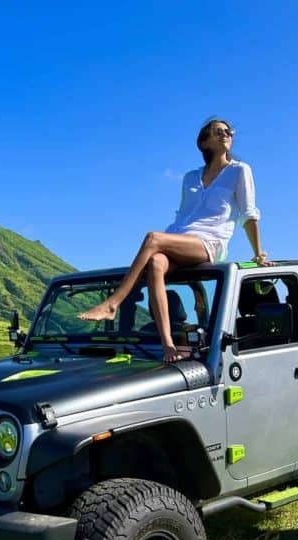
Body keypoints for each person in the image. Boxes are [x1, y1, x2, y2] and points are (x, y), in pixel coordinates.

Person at [79, 118, 269, 361]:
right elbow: (182, 215)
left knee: (152, 238)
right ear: (204, 142)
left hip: (210, 242)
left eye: (228, 132)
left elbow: (248, 214)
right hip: (179, 239)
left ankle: (113, 303)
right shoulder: (190, 177)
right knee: (156, 263)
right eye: (219, 132)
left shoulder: (239, 170)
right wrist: (172, 240)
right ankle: (168, 344)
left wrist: (258, 252)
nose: (226, 135)